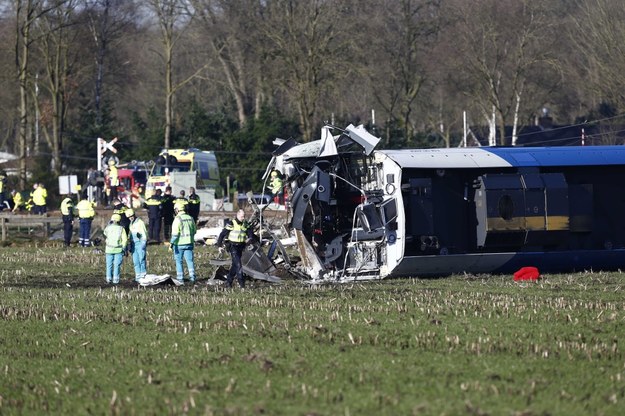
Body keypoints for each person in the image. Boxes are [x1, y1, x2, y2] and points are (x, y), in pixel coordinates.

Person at [216, 209, 255, 289]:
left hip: (241, 246)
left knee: (234, 265)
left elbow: (250, 232)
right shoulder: (231, 223)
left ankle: (228, 281)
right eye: (242, 216)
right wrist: (219, 246)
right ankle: (242, 285)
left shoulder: (245, 224)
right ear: (237, 215)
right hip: (232, 246)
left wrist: (250, 238)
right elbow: (222, 234)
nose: (243, 218)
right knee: (238, 265)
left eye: (244, 216)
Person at [169, 202, 197, 283]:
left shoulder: (177, 219)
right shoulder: (190, 218)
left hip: (179, 244)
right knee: (190, 261)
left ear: (177, 210)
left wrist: (171, 244)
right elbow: (194, 231)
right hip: (189, 243)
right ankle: (192, 277)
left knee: (179, 261)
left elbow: (175, 234)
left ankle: (180, 278)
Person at [104, 213, 127, 285]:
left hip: (109, 249)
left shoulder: (108, 228)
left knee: (109, 265)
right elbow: (125, 239)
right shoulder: (121, 229)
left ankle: (108, 279)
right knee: (117, 265)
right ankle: (116, 280)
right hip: (118, 249)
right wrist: (124, 247)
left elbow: (105, 233)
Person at [126, 208, 148, 282]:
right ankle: (138, 277)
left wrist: (143, 244)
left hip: (140, 243)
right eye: (129, 217)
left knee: (142, 259)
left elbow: (144, 234)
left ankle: (143, 276)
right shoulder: (131, 223)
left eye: (131, 216)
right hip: (133, 244)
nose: (130, 218)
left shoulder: (140, 222)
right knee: (136, 261)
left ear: (134, 215)